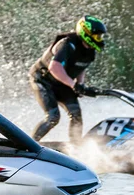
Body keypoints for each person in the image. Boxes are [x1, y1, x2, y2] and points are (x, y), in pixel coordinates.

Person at [28, 15, 108, 144]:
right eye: (97, 36)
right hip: (43, 80)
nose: (100, 39)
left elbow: (81, 67)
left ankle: (75, 149)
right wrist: (73, 85)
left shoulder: (90, 50)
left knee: (76, 114)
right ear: (86, 33)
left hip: (62, 83)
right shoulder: (67, 44)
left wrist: (80, 85)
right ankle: (29, 145)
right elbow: (54, 67)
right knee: (53, 117)